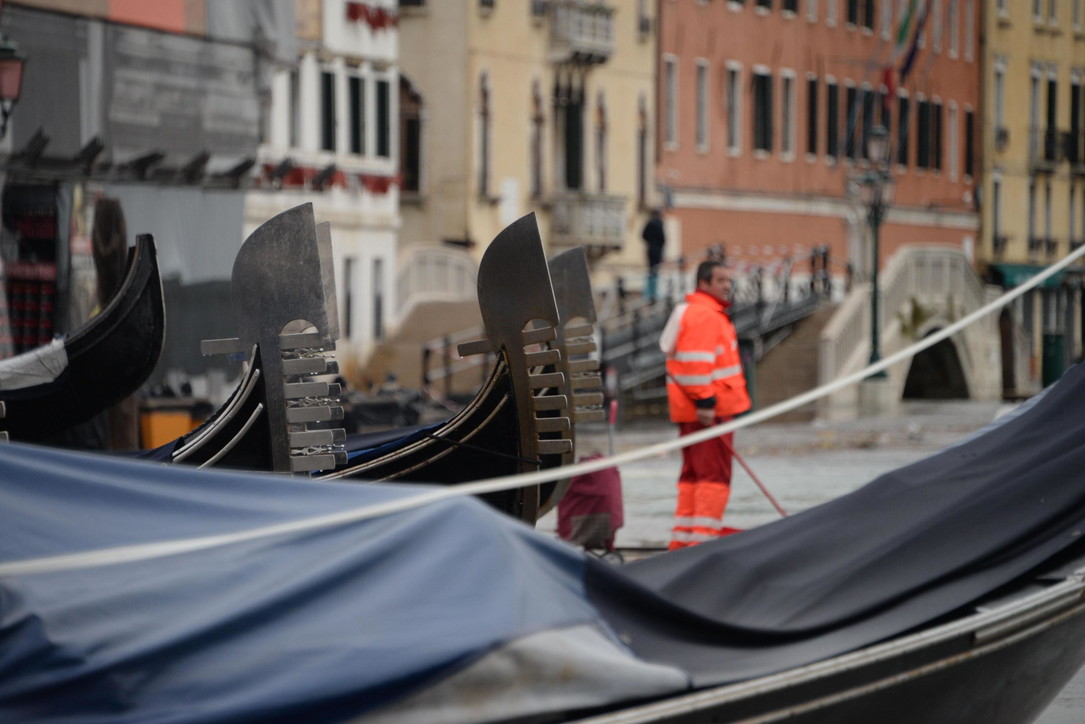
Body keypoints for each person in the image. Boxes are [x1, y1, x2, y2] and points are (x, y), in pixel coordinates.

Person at [659, 259, 751, 550]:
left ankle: (683, 541)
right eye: (721, 280)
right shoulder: (706, 316)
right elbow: (695, 364)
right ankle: (702, 544)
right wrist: (707, 401)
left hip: (698, 410)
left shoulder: (695, 313)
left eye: (728, 280)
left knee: (693, 475)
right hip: (711, 411)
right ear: (703, 284)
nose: (727, 285)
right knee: (713, 477)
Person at [641, 208, 665, 301]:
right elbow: (662, 239)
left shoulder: (649, 223)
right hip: (657, 249)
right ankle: (653, 293)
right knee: (655, 271)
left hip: (650, 248)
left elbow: (643, 235)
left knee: (651, 270)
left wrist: (650, 241)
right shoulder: (658, 223)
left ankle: (649, 293)